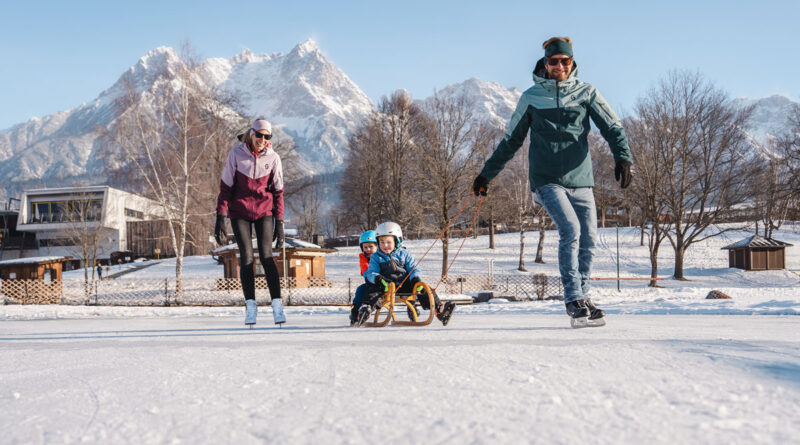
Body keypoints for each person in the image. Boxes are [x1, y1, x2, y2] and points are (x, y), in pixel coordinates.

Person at [472, 37, 633, 326]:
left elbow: (612, 126)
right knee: (570, 230)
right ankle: (572, 298)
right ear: (545, 63)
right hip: (546, 179)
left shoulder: (587, 93)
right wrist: (486, 174)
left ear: (572, 63)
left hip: (581, 178)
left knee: (589, 239)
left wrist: (623, 157)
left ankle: (584, 296)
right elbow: (510, 142)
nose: (559, 65)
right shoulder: (531, 98)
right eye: (554, 61)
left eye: (565, 61)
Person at [215, 118, 286, 327]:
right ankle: (251, 307)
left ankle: (277, 305)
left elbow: (278, 192)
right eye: (259, 135)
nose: (262, 140)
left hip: (265, 211)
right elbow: (226, 188)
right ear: (251, 134)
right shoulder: (236, 155)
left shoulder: (273, 158)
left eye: (267, 137)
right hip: (239, 212)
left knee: (266, 256)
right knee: (246, 257)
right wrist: (220, 216)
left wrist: (280, 222)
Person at [356, 221, 456, 327]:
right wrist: (378, 279)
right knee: (372, 289)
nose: (385, 245)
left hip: (405, 285)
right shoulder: (376, 257)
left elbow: (414, 268)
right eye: (381, 242)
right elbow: (371, 272)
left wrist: (415, 279)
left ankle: (439, 310)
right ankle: (366, 309)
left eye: (388, 242)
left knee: (425, 288)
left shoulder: (405, 254)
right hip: (386, 286)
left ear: (397, 241)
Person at [349, 230, 378, 326]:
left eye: (371, 247)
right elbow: (365, 270)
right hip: (371, 282)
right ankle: (355, 313)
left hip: (385, 284)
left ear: (377, 247)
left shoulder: (381, 257)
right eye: (365, 247)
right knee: (361, 290)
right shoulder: (363, 258)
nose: (368, 249)